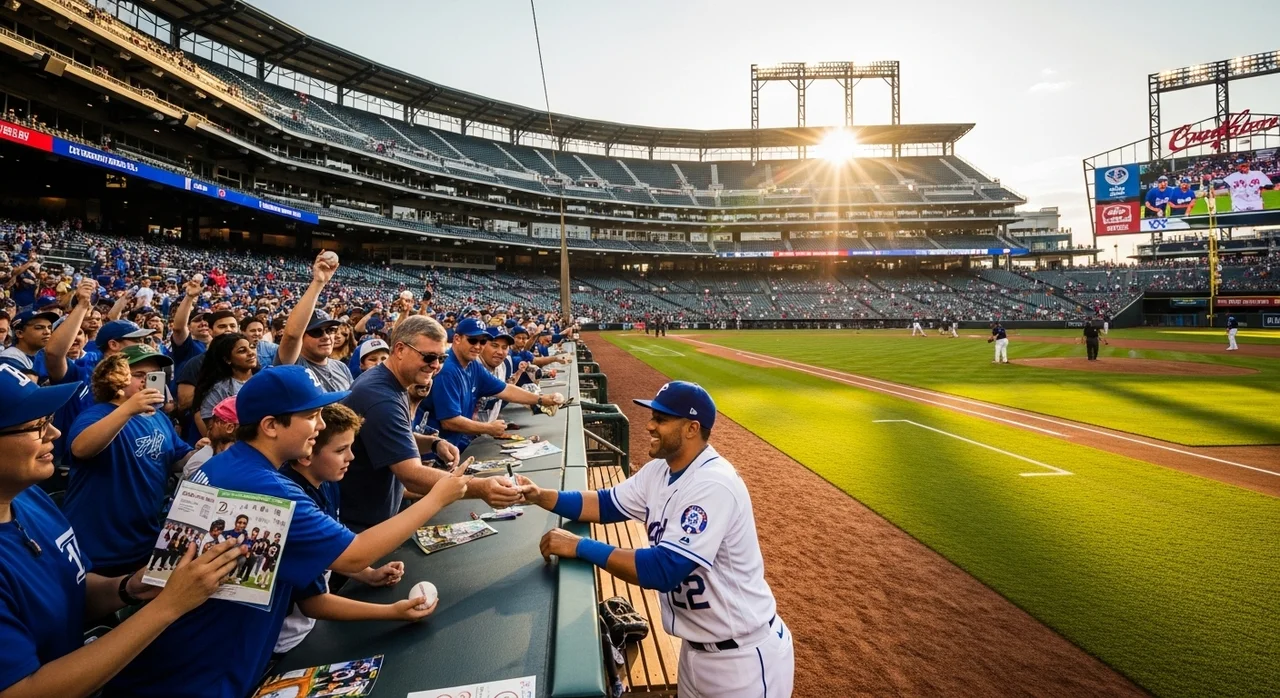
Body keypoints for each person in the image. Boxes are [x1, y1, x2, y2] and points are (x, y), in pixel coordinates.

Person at [103, 365, 470, 698]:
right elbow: (355, 553)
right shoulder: (266, 485)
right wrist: (437, 497)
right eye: (311, 416)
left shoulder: (233, 466)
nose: (321, 425)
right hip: (200, 670)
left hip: (198, 657)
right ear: (271, 425)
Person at [515, 382, 794, 698]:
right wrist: (541, 496)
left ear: (691, 429)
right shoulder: (659, 471)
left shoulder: (713, 484)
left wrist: (579, 546)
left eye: (661, 419)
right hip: (694, 652)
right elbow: (604, 504)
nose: (649, 424)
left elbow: (663, 570)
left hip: (743, 660)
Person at [0, 360, 243, 698]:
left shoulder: (30, 500)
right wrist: (168, 607)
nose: (54, 433)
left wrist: (129, 587)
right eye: (37, 425)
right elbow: (22, 691)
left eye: (50, 421)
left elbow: (70, 593)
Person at [342, 316, 521, 529]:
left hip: (371, 516)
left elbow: (390, 437)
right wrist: (481, 487)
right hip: (359, 523)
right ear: (399, 350)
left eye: (441, 358)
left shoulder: (390, 381)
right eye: (428, 357)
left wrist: (432, 444)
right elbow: (411, 475)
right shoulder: (381, 396)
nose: (435, 366)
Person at [274, 403, 422, 655]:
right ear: (307, 452)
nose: (351, 457)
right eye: (341, 449)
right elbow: (313, 603)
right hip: (286, 642)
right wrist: (391, 612)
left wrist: (367, 574)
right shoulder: (294, 501)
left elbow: (327, 550)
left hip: (310, 628)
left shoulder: (326, 481)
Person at [62, 347, 195, 576]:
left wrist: (207, 450)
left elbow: (177, 459)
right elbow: (81, 449)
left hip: (144, 541)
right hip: (98, 547)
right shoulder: (97, 414)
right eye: (139, 375)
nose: (147, 381)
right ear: (115, 379)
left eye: (154, 375)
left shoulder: (159, 417)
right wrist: (128, 410)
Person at [426, 318, 565, 453]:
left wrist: (542, 399)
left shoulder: (471, 364)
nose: (477, 346)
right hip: (432, 452)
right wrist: (487, 428)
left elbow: (505, 390)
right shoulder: (448, 369)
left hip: (449, 447)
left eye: (482, 342)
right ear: (457, 339)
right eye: (472, 340)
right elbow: (449, 421)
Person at [192, 332, 259, 437]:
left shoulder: (265, 379)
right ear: (227, 360)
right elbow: (213, 429)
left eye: (252, 347)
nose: (251, 353)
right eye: (242, 351)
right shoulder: (219, 389)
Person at [183, 396, 238, 479]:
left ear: (229, 427)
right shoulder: (202, 460)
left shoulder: (204, 462)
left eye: (216, 420)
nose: (210, 425)